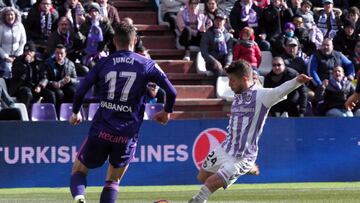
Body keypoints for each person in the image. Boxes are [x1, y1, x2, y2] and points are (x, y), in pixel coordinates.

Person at [68, 22, 177, 203]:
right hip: (126, 133)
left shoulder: (104, 62)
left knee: (79, 171)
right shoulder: (147, 64)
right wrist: (166, 112)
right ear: (135, 40)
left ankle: (79, 197)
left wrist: (76, 112)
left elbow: (81, 90)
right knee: (113, 180)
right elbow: (171, 92)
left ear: (113, 41)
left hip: (102, 128)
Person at [188, 59, 311, 203]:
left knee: (209, 185)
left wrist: (297, 81)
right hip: (225, 148)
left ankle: (198, 199)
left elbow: (279, 91)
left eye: (232, 80)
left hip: (242, 156)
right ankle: (245, 170)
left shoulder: (261, 96)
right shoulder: (239, 92)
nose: (229, 84)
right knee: (202, 177)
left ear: (245, 79)